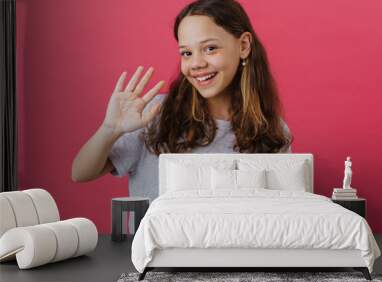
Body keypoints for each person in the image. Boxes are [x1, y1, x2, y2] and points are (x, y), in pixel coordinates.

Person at [71, 0, 293, 205]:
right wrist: (110, 129)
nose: (195, 63)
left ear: (244, 45)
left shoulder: (272, 131)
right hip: (154, 248)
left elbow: (276, 214)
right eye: (186, 53)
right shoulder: (154, 113)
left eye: (210, 48)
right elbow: (81, 173)